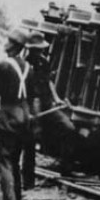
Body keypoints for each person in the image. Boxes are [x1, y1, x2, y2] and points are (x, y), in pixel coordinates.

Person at [0, 28, 39, 200]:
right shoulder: (28, 68)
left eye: (9, 41)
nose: (5, 43)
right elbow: (32, 97)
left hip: (8, 116)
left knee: (5, 163)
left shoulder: (3, 67)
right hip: (25, 117)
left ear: (14, 46)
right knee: (15, 163)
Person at [26, 35, 81, 176]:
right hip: (33, 104)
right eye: (37, 49)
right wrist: (28, 109)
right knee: (33, 135)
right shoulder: (25, 65)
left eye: (41, 49)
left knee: (69, 128)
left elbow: (49, 81)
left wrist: (56, 98)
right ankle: (28, 172)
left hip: (47, 103)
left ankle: (66, 168)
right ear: (31, 49)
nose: (39, 52)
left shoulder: (44, 62)